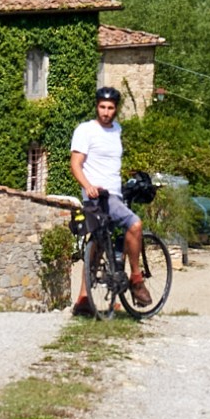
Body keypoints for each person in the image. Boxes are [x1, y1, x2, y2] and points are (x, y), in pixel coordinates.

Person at [69, 84, 149, 315]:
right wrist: (88, 186)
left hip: (116, 193)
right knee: (135, 224)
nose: (105, 112)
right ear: (96, 107)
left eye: (110, 108)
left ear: (116, 109)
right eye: (102, 107)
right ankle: (136, 278)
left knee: (100, 244)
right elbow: (76, 164)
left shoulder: (117, 130)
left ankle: (84, 300)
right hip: (98, 195)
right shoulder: (85, 130)